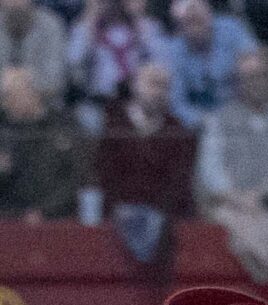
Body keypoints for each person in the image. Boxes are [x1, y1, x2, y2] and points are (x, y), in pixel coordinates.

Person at [196, 47, 268, 278]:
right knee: (242, 226)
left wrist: (261, 195)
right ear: (237, 82)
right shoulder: (218, 119)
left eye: (261, 75)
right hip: (231, 205)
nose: (255, 83)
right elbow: (211, 167)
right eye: (247, 78)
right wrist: (236, 197)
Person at [95, 58, 198, 248]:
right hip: (117, 217)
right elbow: (103, 175)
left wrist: (157, 214)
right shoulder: (114, 125)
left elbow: (180, 183)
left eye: (164, 87)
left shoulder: (176, 130)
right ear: (135, 86)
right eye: (153, 84)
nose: (158, 92)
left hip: (162, 220)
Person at [151, 0, 258, 128]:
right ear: (179, 27)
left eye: (199, 19)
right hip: (203, 124)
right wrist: (205, 121)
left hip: (242, 111)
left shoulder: (232, 28)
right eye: (189, 22)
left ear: (210, 15)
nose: (196, 26)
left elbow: (255, 63)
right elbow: (177, 102)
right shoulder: (175, 53)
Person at [0, 62, 87, 213]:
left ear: (32, 92)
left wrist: (45, 211)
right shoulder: (3, 130)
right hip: (10, 219)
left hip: (58, 217)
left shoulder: (63, 124)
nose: (6, 103)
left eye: (12, 95)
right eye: (5, 97)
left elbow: (76, 176)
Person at [67, 0, 155, 118]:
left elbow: (157, 63)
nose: (111, 5)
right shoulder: (84, 28)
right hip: (97, 101)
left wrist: (138, 19)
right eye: (105, 2)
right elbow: (73, 61)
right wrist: (90, 21)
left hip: (134, 99)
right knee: (88, 122)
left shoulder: (143, 27)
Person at [0, 0, 68, 112]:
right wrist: (6, 82)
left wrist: (29, 79)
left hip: (45, 111)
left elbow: (57, 78)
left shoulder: (51, 25)